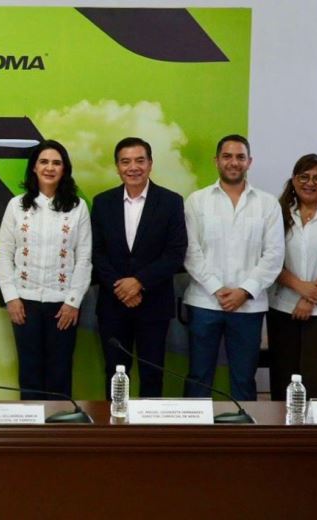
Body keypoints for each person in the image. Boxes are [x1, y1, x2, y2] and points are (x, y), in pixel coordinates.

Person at [183, 134, 284, 401]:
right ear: (216, 161)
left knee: (243, 377)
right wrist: (217, 288)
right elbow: (191, 251)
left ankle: (246, 427)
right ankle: (194, 428)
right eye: (227, 156)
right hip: (205, 302)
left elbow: (274, 255)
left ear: (249, 162)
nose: (233, 162)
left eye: (240, 157)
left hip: (248, 306)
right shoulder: (197, 201)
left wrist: (244, 291)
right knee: (199, 375)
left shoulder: (267, 203)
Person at [92, 137, 187, 399]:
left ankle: (150, 426)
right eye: (126, 162)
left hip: (153, 303)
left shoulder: (171, 202)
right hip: (113, 304)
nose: (133, 167)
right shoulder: (102, 202)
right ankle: (115, 422)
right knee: (115, 374)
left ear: (150, 164)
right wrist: (121, 288)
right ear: (117, 167)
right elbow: (97, 252)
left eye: (139, 161)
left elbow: (175, 253)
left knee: (152, 374)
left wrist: (139, 282)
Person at [0, 140, 91, 400]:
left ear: (64, 169)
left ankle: (59, 425)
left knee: (60, 372)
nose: (50, 168)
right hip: (24, 302)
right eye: (44, 162)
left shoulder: (77, 207)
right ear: (34, 168)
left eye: (56, 163)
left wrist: (73, 302)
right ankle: (31, 425)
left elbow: (84, 258)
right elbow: (4, 254)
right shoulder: (17, 206)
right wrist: (11, 297)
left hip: (62, 305)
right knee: (30, 373)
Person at [267, 154, 317, 400]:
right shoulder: (277, 213)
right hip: (282, 307)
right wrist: (301, 288)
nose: (310, 183)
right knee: (283, 377)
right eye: (304, 177)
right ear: (293, 180)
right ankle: (281, 426)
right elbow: (269, 259)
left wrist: (310, 298)